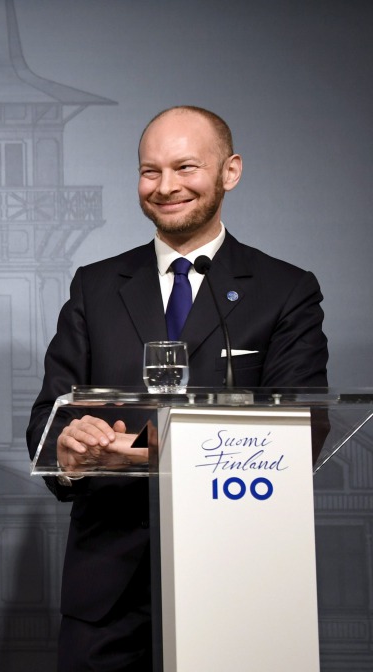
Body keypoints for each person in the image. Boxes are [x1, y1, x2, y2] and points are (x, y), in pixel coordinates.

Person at [27, 106, 329, 671]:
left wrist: (158, 451)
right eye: (150, 171)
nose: (166, 187)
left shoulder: (285, 290)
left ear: (230, 171)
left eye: (185, 167)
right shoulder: (95, 286)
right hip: (106, 592)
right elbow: (48, 418)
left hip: (236, 579)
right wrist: (67, 451)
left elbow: (304, 430)